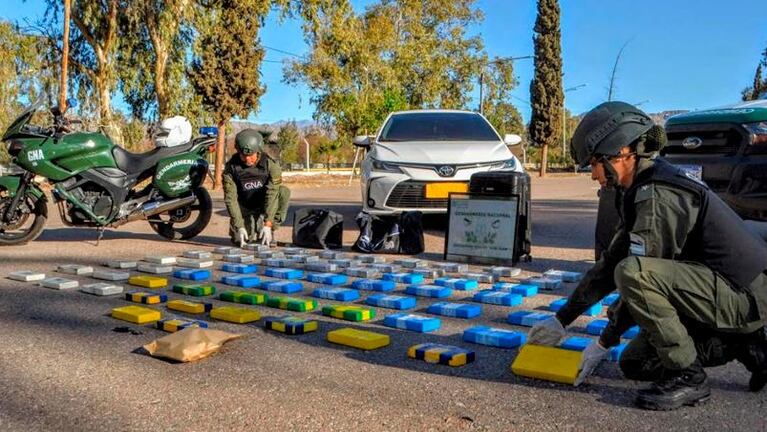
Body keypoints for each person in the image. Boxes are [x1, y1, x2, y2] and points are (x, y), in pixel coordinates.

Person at [527, 101, 767, 411]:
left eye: (595, 163)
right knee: (636, 363)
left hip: (743, 297)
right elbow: (608, 265)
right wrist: (561, 320)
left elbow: (639, 278)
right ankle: (747, 345)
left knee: (633, 274)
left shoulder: (657, 196)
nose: (593, 175)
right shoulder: (641, 187)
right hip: (716, 292)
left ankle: (689, 376)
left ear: (621, 151)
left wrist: (604, 341)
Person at [223, 129, 290, 247]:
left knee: (284, 192)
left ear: (258, 151)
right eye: (243, 155)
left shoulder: (271, 165)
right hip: (244, 206)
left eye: (251, 155)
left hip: (263, 206)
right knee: (241, 239)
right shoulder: (231, 168)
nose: (247, 159)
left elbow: (272, 195)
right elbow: (231, 199)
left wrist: (268, 224)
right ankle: (248, 228)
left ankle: (269, 231)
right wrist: (239, 226)